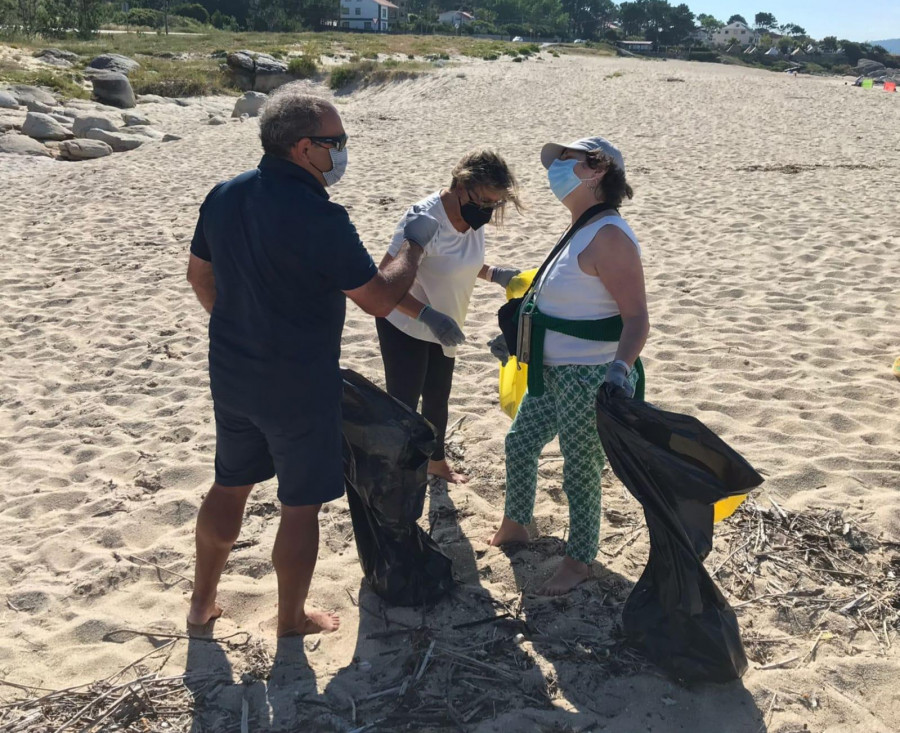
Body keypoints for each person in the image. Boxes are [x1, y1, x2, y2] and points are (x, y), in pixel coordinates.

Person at [185, 86, 439, 636]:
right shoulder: (320, 215)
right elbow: (376, 296)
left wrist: (240, 325)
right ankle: (291, 619)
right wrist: (413, 248)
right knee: (299, 505)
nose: (343, 150)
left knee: (229, 484)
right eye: (337, 141)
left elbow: (199, 278)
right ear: (304, 148)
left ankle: (200, 604)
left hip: (232, 370)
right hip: (298, 381)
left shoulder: (223, 195)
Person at [488, 137, 650, 595]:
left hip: (588, 376)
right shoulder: (581, 227)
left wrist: (619, 372)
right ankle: (517, 524)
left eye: (567, 160)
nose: (556, 168)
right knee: (520, 443)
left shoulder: (611, 236)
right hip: (550, 373)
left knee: (579, 471)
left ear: (597, 171)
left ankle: (579, 560)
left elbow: (637, 318)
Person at [375, 149, 522, 484]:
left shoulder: (472, 217)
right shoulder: (424, 218)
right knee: (405, 404)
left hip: (445, 321)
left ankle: (436, 463)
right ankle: (397, 475)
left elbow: (452, 261)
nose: (487, 211)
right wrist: (427, 316)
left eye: (494, 205)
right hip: (404, 321)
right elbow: (383, 281)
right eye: (483, 201)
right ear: (460, 185)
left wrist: (493, 273)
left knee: (439, 397)